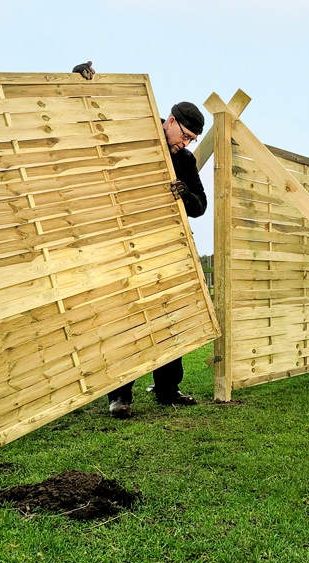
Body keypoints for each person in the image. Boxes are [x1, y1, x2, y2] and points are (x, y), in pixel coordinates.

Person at [73, 61, 207, 418]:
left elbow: (201, 207)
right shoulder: (135, 132)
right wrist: (83, 81)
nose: (186, 143)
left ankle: (167, 388)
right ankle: (120, 396)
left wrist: (184, 194)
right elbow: (98, 120)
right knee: (127, 317)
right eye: (185, 135)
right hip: (125, 239)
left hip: (167, 245)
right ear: (171, 122)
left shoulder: (186, 161)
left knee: (169, 315)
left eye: (192, 140)